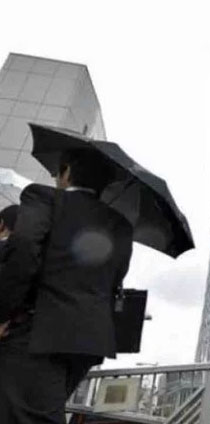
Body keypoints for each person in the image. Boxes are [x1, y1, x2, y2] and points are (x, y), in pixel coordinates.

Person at [0, 149, 134, 424]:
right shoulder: (120, 225)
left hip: (39, 332)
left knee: (26, 414)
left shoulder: (43, 197)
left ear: (67, 172)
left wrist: (4, 313)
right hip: (89, 341)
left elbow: (24, 248)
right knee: (37, 408)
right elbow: (116, 277)